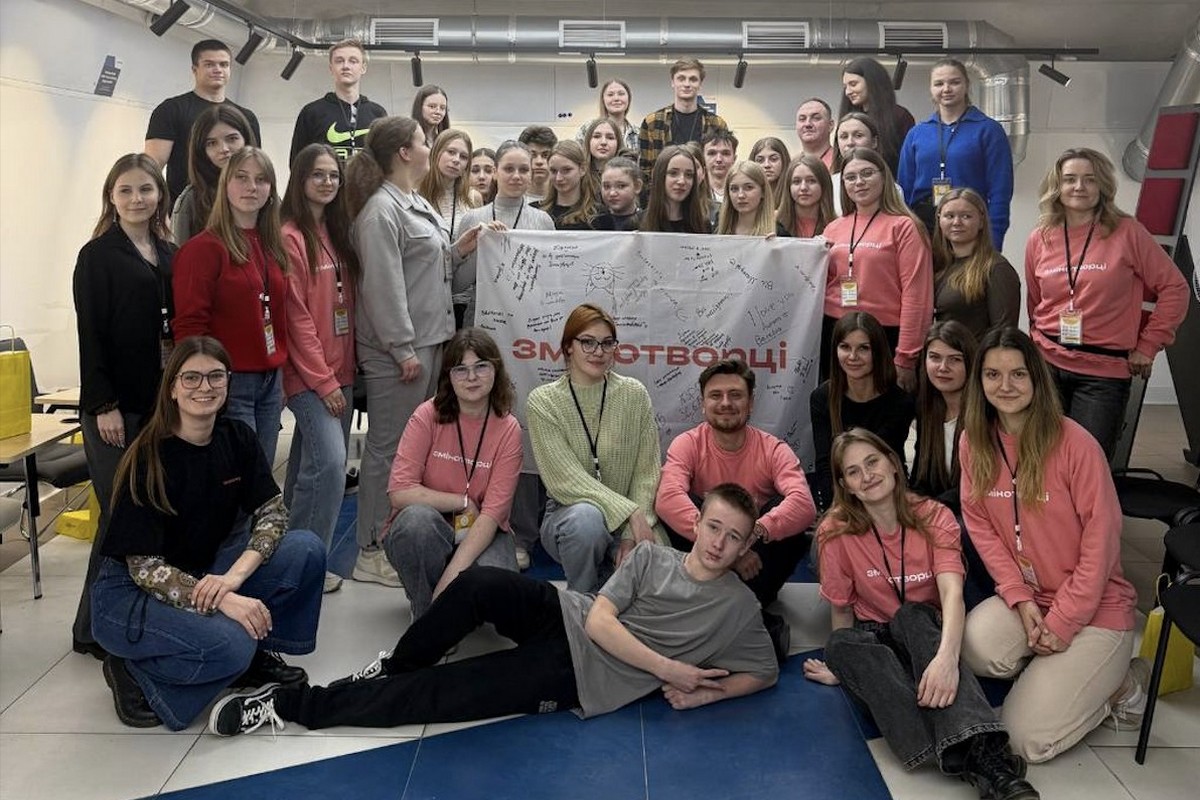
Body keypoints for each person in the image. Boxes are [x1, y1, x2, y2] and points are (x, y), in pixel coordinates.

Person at [209, 484, 778, 737]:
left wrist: (706, 694)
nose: (718, 543)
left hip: (582, 675)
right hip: (569, 614)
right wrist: (671, 670)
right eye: (713, 527)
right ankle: (395, 666)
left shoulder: (739, 607)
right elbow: (600, 620)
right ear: (696, 521)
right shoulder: (652, 557)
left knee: (444, 692)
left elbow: (765, 672)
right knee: (479, 583)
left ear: (746, 545)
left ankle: (288, 704)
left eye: (734, 537)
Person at [91, 336, 324, 731]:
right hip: (129, 594)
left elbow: (273, 513)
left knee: (306, 549)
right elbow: (145, 568)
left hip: (202, 572)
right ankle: (133, 671)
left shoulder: (236, 438)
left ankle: (255, 653)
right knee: (231, 645)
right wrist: (224, 600)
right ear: (172, 388)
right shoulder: (148, 456)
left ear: (229, 382)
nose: (205, 387)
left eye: (216, 376)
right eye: (192, 378)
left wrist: (232, 579)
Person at [803, 429, 1039, 800]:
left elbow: (952, 594)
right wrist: (844, 671)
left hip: (923, 630)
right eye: (853, 472)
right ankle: (977, 754)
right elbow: (841, 608)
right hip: (874, 638)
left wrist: (947, 659)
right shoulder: (834, 532)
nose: (867, 476)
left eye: (872, 462)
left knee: (912, 614)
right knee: (839, 645)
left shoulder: (934, 516)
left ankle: (984, 761)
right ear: (845, 486)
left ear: (893, 463)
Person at [959, 327, 1143, 763]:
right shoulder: (974, 441)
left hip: (1095, 608)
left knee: (1025, 741)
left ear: (1037, 379)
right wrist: (1020, 598)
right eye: (992, 375)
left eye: (1018, 374)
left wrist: (1063, 622)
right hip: (1033, 598)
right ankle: (1059, 673)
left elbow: (1100, 544)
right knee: (974, 646)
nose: (1005, 386)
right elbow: (982, 529)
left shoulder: (1077, 444)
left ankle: (1119, 687)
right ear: (979, 382)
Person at [345, 116, 484, 587]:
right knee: (387, 449)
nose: (430, 146)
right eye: (424, 141)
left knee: (413, 449)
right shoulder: (380, 211)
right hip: (400, 352)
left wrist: (459, 250)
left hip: (429, 340)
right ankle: (370, 548)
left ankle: (399, 536)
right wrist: (403, 348)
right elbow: (382, 288)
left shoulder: (413, 201)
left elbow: (426, 266)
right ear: (405, 152)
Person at [70, 153, 177, 660]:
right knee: (120, 519)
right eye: (126, 190)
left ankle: (121, 621)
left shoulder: (168, 251)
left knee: (146, 515)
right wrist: (103, 404)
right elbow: (89, 335)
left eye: (146, 189)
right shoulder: (97, 256)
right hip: (114, 410)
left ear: (160, 195)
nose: (137, 199)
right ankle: (92, 630)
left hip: (159, 407)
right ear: (111, 198)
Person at [1026, 147, 1190, 458]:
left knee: (1089, 464)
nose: (1079, 187)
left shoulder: (1127, 232)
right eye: (1070, 179)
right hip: (1047, 367)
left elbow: (1175, 288)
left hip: (1102, 375)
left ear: (1102, 185)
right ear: (1057, 186)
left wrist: (1149, 344)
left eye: (1089, 179)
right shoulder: (1041, 237)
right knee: (1042, 458)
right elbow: (1035, 301)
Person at [381, 328, 523, 618]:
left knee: (502, 592)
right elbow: (399, 492)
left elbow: (491, 516)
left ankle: (448, 602)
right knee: (416, 523)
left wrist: (446, 588)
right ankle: (425, 613)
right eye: (461, 369)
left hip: (482, 530)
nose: (471, 377)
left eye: (481, 366)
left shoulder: (509, 429)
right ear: (448, 376)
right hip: (429, 529)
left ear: (496, 370)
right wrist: (461, 502)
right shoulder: (427, 415)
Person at [656, 359, 816, 613]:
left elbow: (804, 504)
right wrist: (724, 547)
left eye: (735, 395)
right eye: (715, 395)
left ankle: (740, 608)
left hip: (754, 562)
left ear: (750, 403)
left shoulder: (774, 449)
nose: (726, 403)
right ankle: (732, 607)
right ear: (703, 404)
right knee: (687, 504)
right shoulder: (687, 444)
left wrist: (749, 536)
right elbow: (667, 498)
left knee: (785, 516)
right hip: (705, 560)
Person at [528, 304, 667, 593]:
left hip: (631, 516)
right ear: (568, 347)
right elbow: (565, 480)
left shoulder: (634, 394)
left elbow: (647, 473)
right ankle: (582, 602)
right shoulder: (543, 402)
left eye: (606, 343)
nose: (598, 351)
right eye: (587, 342)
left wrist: (630, 533)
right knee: (587, 520)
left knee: (657, 565)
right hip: (570, 517)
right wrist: (630, 512)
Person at [172, 146, 289, 465]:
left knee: (259, 476)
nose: (252, 187)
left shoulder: (272, 246)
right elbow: (190, 327)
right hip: (228, 380)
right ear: (225, 185)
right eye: (242, 178)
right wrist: (203, 384)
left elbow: (277, 315)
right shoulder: (203, 249)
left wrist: (279, 374)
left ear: (271, 190)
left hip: (269, 379)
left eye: (261, 179)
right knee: (234, 477)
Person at [280, 143, 358, 595]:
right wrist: (324, 381)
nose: (327, 182)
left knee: (306, 471)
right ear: (300, 179)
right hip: (310, 378)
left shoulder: (335, 230)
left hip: (341, 371)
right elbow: (296, 319)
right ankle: (308, 565)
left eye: (333, 175)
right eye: (318, 175)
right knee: (329, 466)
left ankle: (287, 559)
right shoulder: (290, 236)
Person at [821, 148, 933, 390]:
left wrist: (906, 356)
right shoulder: (833, 228)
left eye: (867, 173)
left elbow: (916, 295)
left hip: (883, 335)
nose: (859, 182)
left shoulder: (905, 227)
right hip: (835, 332)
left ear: (884, 177)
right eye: (850, 177)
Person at [910, 322, 993, 609]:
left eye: (954, 359)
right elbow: (922, 478)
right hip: (943, 508)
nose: (943, 367)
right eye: (934, 358)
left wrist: (929, 507)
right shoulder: (928, 410)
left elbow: (977, 486)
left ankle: (974, 611)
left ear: (970, 364)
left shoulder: (985, 414)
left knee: (954, 531)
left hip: (977, 514)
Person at [898, 59, 1014, 247]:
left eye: (954, 82)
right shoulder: (917, 133)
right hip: (923, 225)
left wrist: (994, 240)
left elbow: (1000, 190)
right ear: (931, 89)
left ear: (967, 85)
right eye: (939, 83)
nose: (946, 89)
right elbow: (904, 189)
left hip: (969, 222)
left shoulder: (989, 130)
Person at [810, 312, 916, 511]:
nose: (852, 357)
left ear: (878, 351)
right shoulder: (821, 397)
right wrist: (838, 511)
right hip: (841, 500)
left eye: (863, 348)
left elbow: (881, 465)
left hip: (889, 496)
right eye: (845, 347)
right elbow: (825, 464)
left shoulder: (900, 402)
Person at [145, 39, 261, 204]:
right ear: (195, 69)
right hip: (186, 206)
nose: (218, 70)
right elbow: (153, 166)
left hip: (235, 205)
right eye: (209, 64)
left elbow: (255, 165)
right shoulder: (171, 110)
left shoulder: (246, 116)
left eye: (224, 64)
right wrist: (158, 210)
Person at [456, 140, 556, 327]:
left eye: (524, 170)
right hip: (482, 322)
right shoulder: (473, 219)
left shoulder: (543, 221)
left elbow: (551, 282)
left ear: (531, 174)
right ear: (495, 172)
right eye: (509, 169)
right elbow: (456, 286)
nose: (516, 176)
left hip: (530, 322)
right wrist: (483, 245)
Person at [932, 188, 1020, 340]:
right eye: (949, 216)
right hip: (943, 352)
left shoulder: (996, 268)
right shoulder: (938, 265)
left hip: (977, 354)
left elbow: (1004, 333)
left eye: (966, 216)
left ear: (981, 221)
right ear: (939, 220)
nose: (957, 222)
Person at [289, 39, 388, 165]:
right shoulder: (312, 113)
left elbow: (387, 163)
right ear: (331, 68)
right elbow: (297, 164)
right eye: (339, 61)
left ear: (363, 68)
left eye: (353, 61)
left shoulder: (377, 113)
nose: (346, 66)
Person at [171, 104, 258, 244]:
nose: (223, 149)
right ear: (202, 151)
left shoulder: (265, 190)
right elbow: (180, 252)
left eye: (232, 139)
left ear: (246, 140)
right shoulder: (191, 200)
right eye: (211, 143)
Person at [638, 57, 729, 184]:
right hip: (662, 192)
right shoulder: (652, 123)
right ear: (672, 82)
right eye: (681, 78)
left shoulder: (716, 124)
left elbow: (721, 166)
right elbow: (645, 169)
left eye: (693, 79)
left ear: (700, 84)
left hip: (703, 192)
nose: (687, 84)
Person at [839, 56, 915, 174]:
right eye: (845, 86)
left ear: (872, 82)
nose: (848, 92)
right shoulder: (848, 118)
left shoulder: (899, 116)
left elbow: (908, 162)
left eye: (853, 84)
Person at [830, 112, 905, 215]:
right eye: (844, 137)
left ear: (874, 142)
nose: (850, 142)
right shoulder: (829, 185)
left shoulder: (893, 190)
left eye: (858, 135)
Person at [419, 128, 484, 239]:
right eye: (451, 152)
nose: (456, 160)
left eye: (463, 157)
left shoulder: (473, 197)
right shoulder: (416, 193)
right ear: (436, 153)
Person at [640, 145, 710, 234]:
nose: (682, 181)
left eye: (689, 175)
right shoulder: (638, 223)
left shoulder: (703, 225)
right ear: (659, 175)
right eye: (673, 173)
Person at [542, 140, 598, 230]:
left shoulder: (598, 216)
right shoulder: (536, 212)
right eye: (553, 171)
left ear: (582, 169)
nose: (559, 178)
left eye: (566, 170)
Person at [775, 154, 835, 239]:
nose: (803, 188)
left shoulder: (838, 225)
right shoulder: (772, 222)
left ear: (824, 185)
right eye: (796, 182)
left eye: (811, 181)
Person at [575, 79, 639, 152]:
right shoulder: (588, 128)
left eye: (621, 94)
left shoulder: (638, 133)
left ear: (629, 98)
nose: (616, 98)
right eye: (610, 95)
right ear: (603, 100)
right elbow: (575, 156)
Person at [715, 161, 775, 236]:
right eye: (734, 189)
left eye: (749, 187)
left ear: (763, 191)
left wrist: (775, 242)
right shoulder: (718, 225)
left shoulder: (778, 232)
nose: (741, 195)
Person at [593, 156, 643, 231]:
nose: (612, 193)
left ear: (637, 186)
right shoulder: (594, 223)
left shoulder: (647, 223)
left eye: (621, 186)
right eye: (607, 186)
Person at [518, 125, 558, 203]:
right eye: (532, 155)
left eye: (545, 155)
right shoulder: (512, 201)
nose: (539, 161)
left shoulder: (565, 199)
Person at [749, 136, 791, 209]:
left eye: (773, 159)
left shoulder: (793, 193)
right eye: (760, 160)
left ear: (784, 161)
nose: (767, 165)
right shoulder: (746, 195)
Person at [794, 97, 835, 169]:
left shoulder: (841, 163)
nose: (807, 124)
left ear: (830, 125)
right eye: (802, 119)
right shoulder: (791, 166)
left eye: (816, 118)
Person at [701, 129, 738, 208]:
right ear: (703, 158)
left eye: (725, 153)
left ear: (734, 159)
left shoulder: (742, 193)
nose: (719, 159)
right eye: (712, 153)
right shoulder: (695, 193)